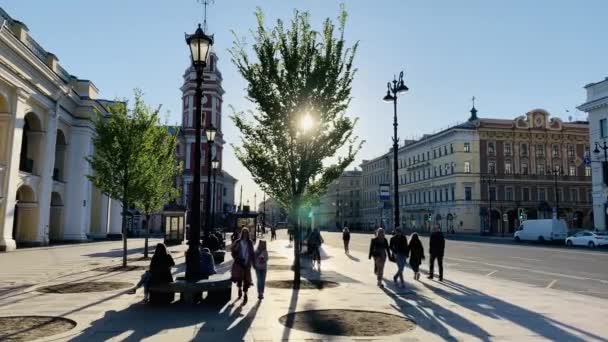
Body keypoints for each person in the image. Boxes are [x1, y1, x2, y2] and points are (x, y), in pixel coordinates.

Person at [231, 227, 255, 304]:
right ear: (242, 233)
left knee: (246, 280)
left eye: (246, 233)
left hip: (247, 263)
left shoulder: (250, 242)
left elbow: (252, 253)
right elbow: (233, 251)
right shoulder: (238, 242)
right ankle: (239, 289)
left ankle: (245, 294)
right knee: (239, 279)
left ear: (248, 234)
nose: (245, 234)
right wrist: (236, 258)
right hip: (239, 263)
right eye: (243, 233)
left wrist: (253, 262)